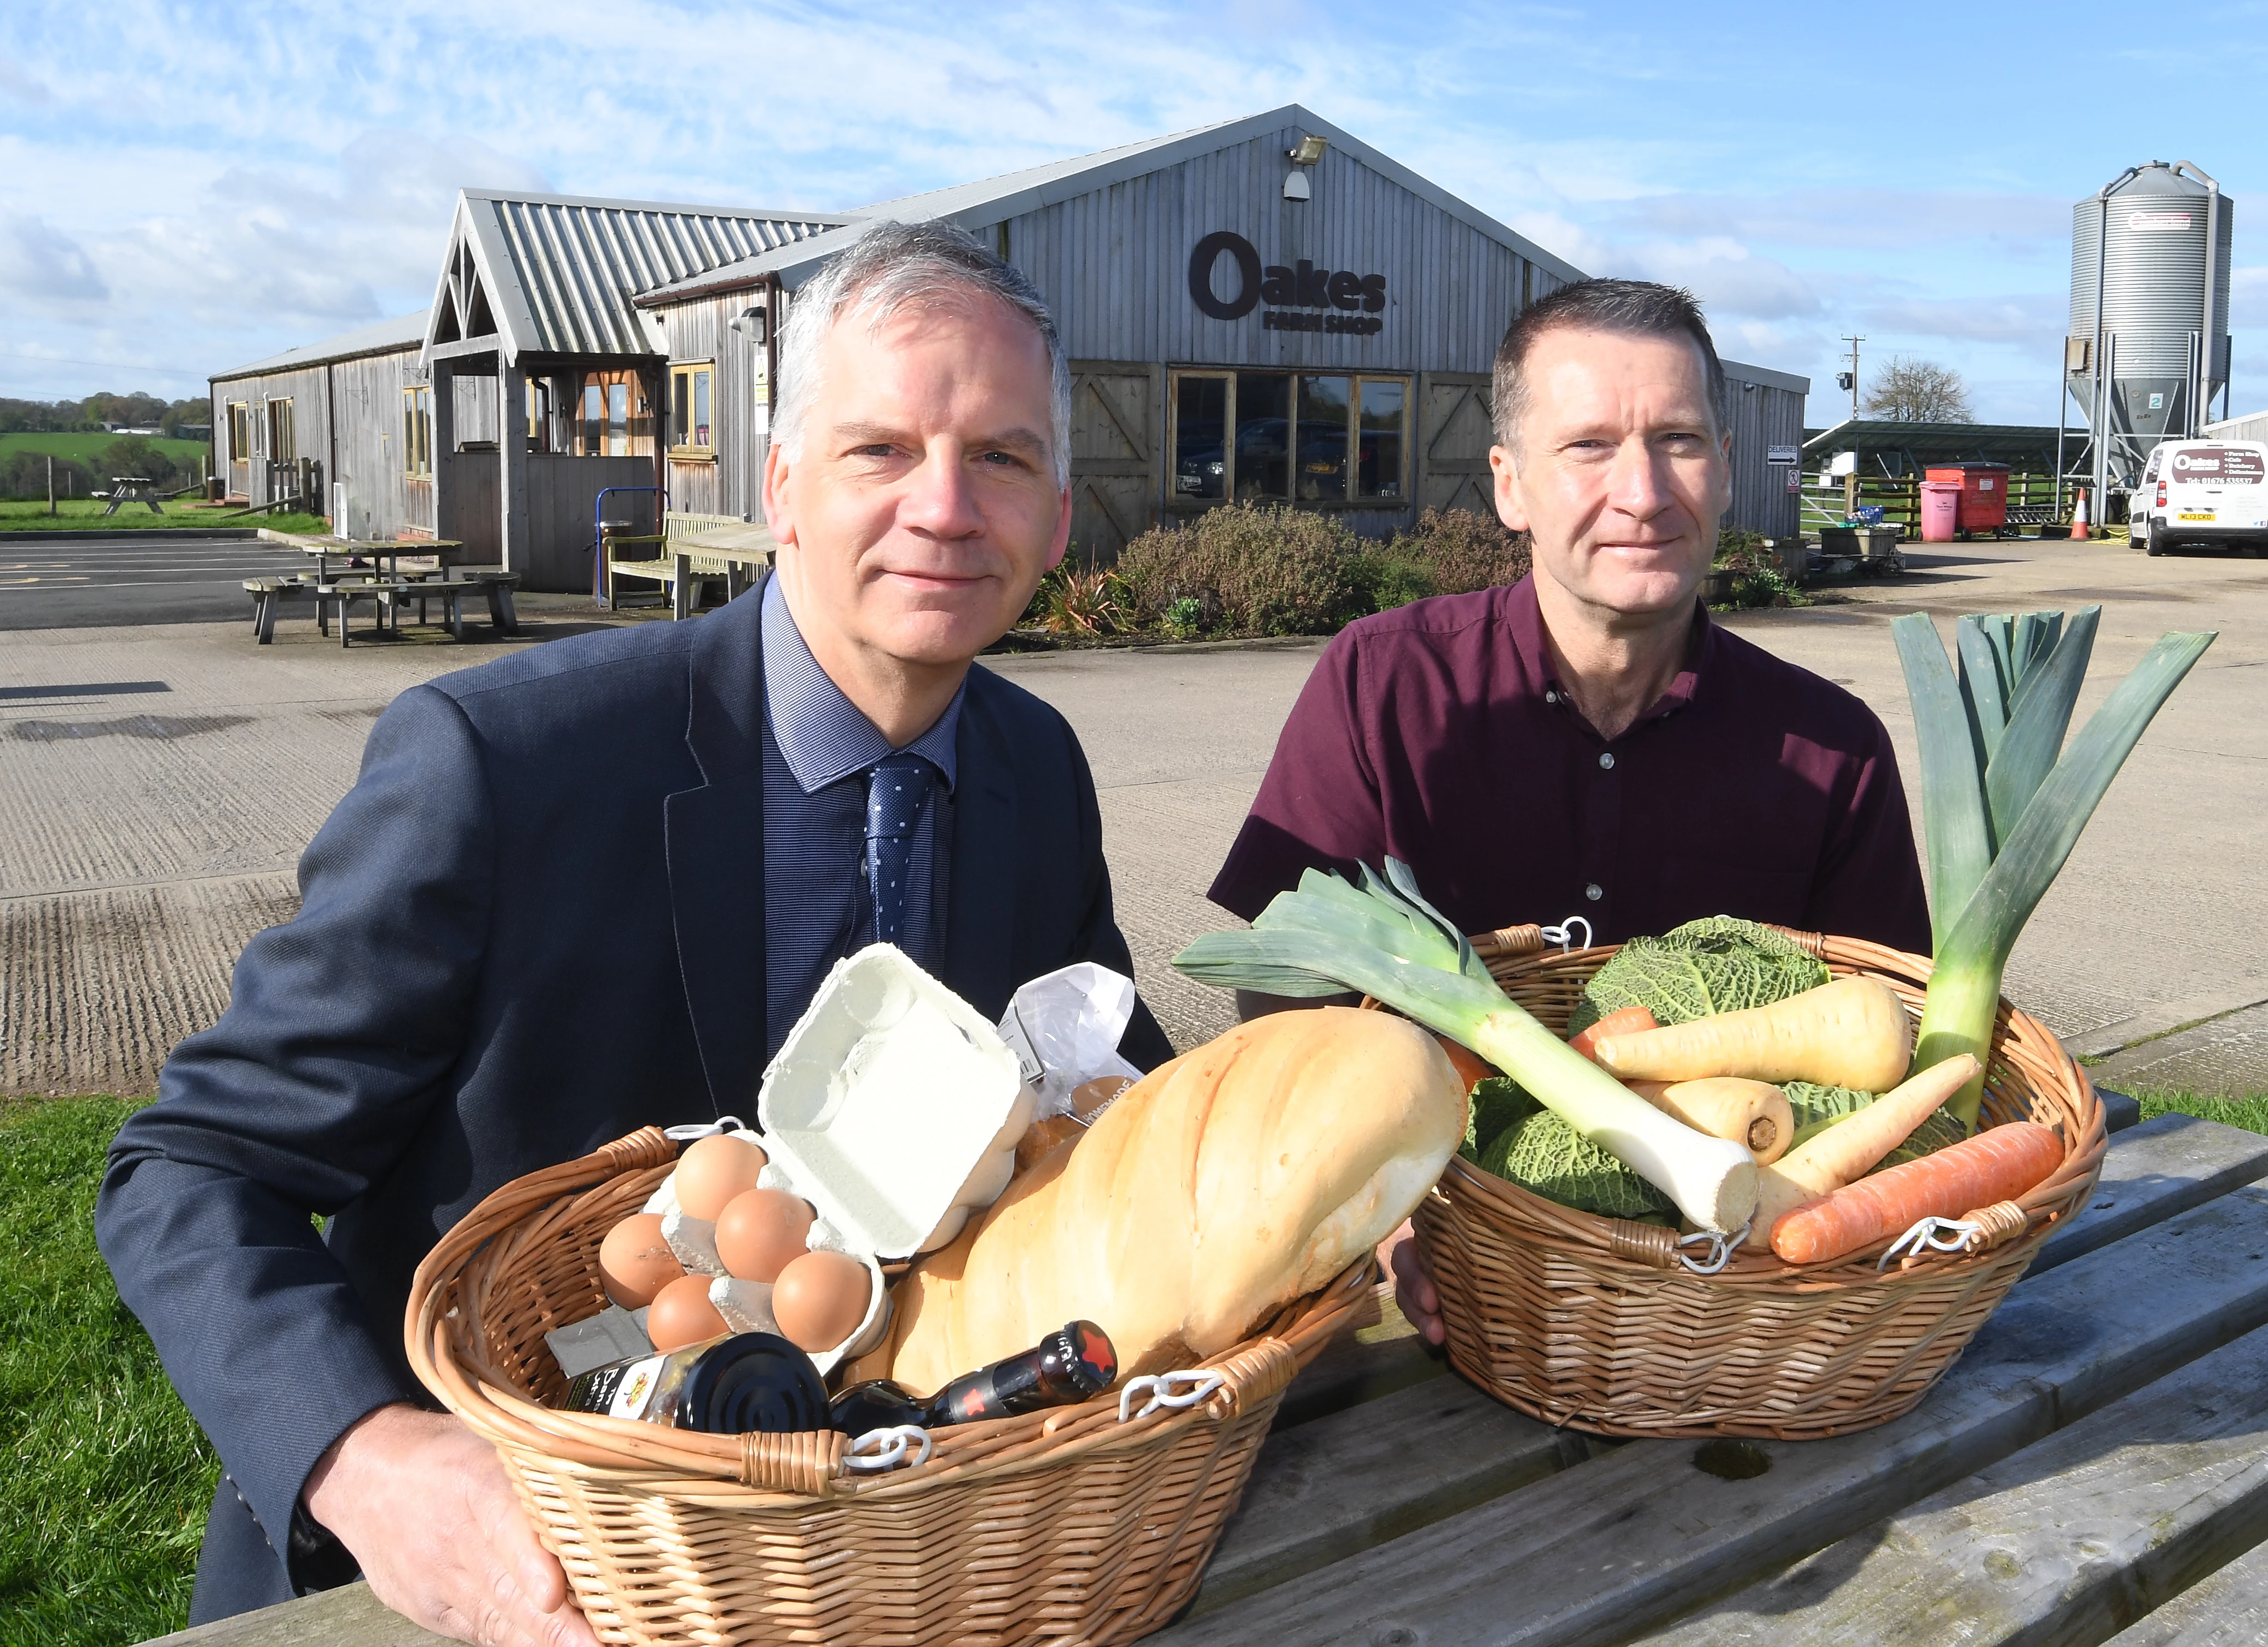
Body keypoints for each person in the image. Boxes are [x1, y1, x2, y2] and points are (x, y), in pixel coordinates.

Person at [98, 220, 1174, 1642]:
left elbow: (1122, 1090)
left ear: (1055, 511)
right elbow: (190, 1169)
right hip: (505, 1559)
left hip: (876, 1548)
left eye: (1004, 456)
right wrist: (369, 1459)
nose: (945, 506)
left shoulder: (1034, 767)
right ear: (782, 486)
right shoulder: (504, 764)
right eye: (880, 451)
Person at [1204, 278, 1931, 1337]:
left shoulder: (1832, 747)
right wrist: (1385, 1212)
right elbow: (1283, 1001)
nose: (1641, 491)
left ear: (1725, 469)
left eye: (1678, 441)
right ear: (1508, 485)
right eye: (1587, 445)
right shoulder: (1382, 684)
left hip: (1749, 1287)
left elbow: (1882, 1041)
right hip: (1439, 1249)